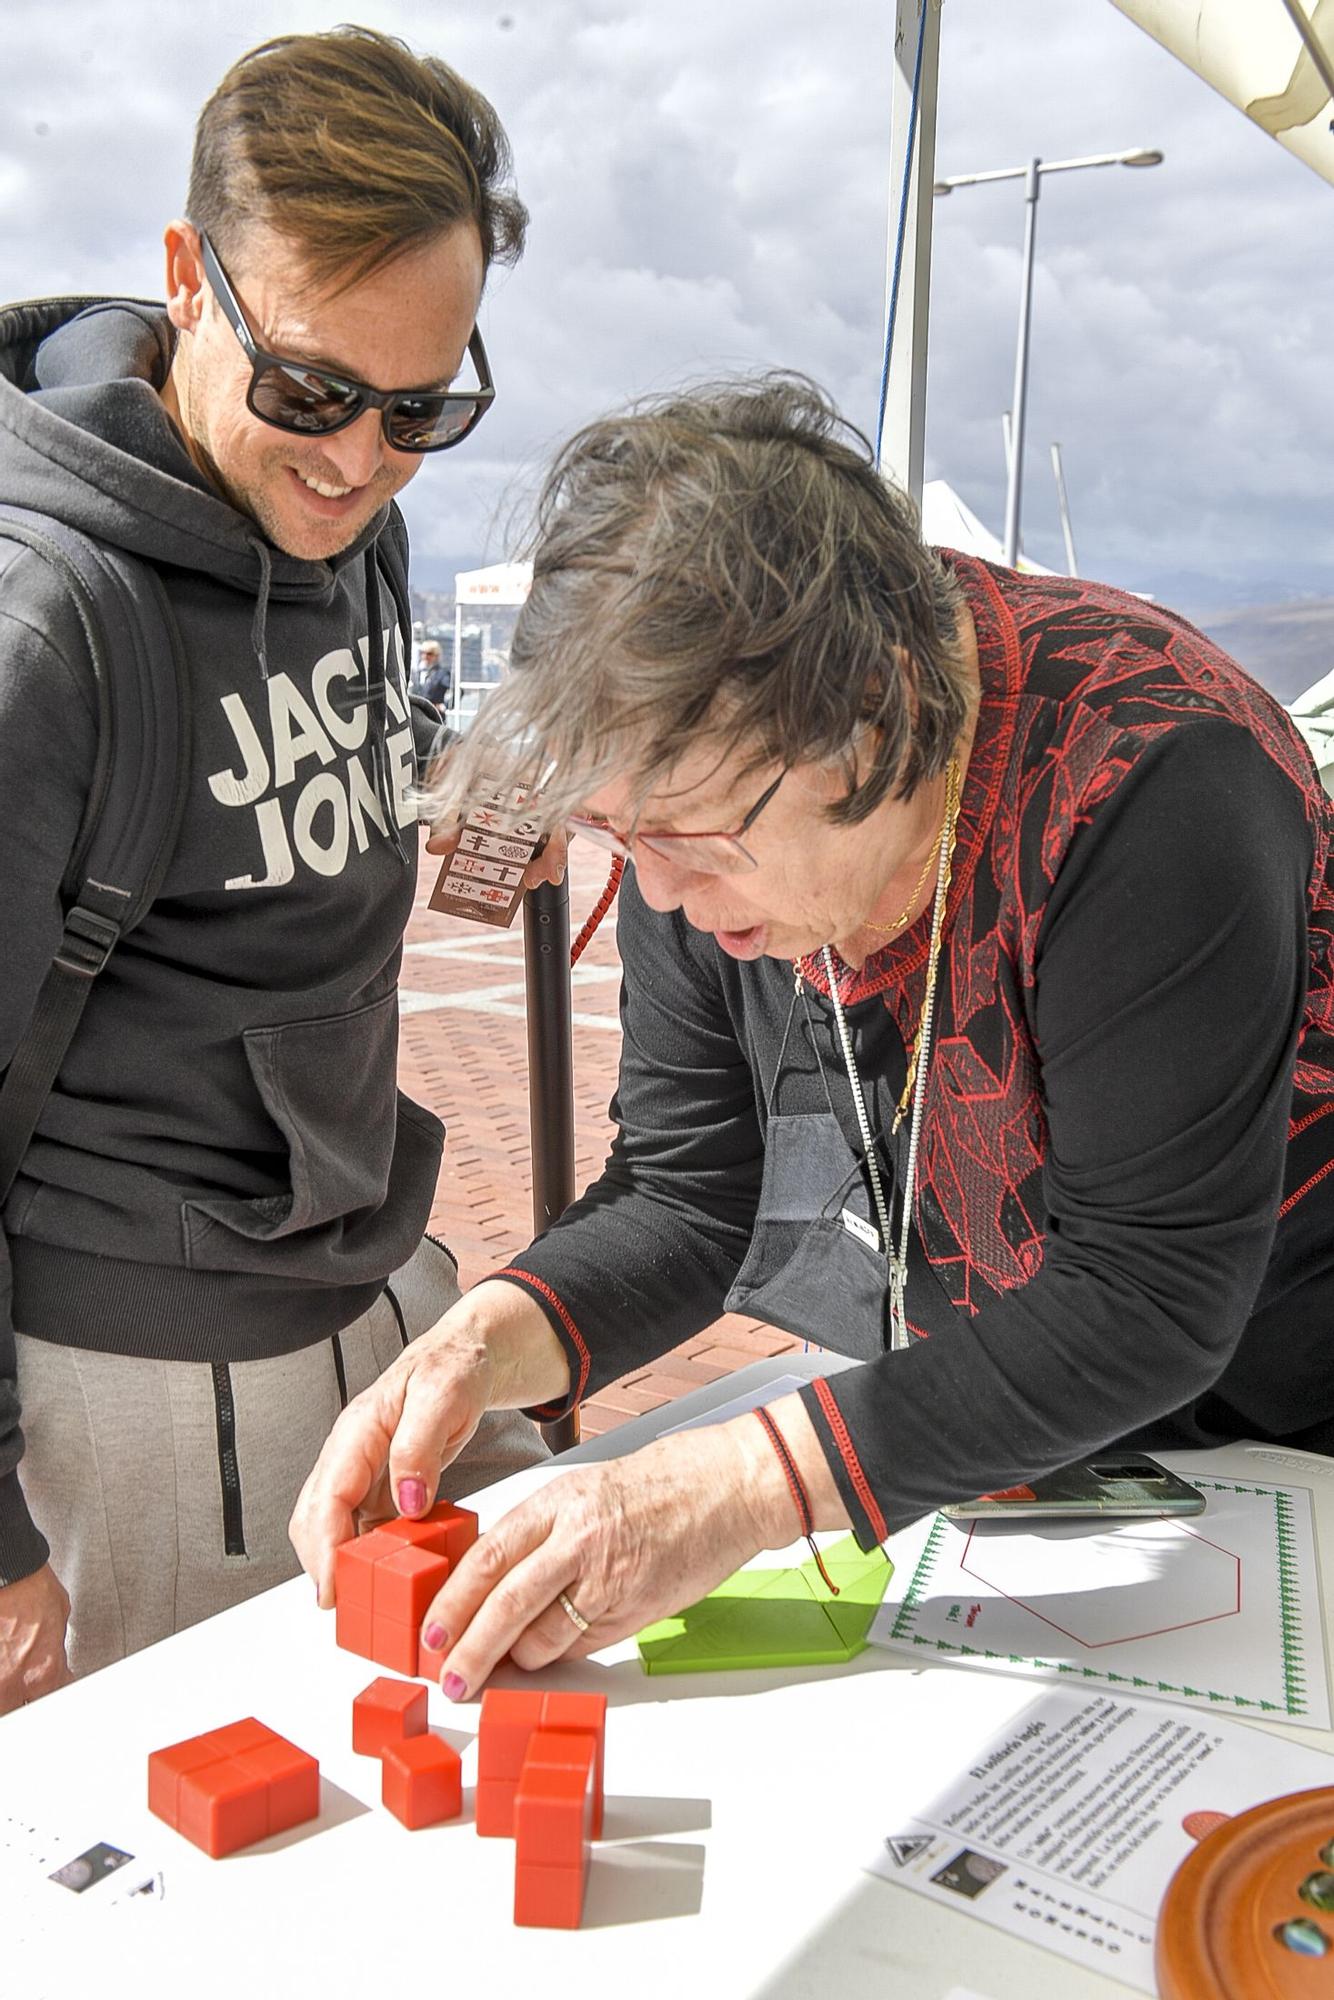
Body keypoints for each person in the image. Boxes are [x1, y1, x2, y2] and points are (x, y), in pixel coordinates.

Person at [291, 374, 1334, 1702]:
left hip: (1291, 1411)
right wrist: (480, 1342)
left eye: (691, 833)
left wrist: (739, 1485)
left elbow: (1151, 1291)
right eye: (625, 833)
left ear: (877, 714)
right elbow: (692, 1191)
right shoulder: (699, 786)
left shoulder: (1150, 774)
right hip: (1025, 1430)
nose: (657, 896)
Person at [0, 26, 555, 1714]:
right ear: (187, 280)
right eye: (310, 391)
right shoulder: (43, 632)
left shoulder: (355, 519)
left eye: (427, 408)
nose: (359, 462)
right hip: (141, 1385)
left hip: (370, 1286)